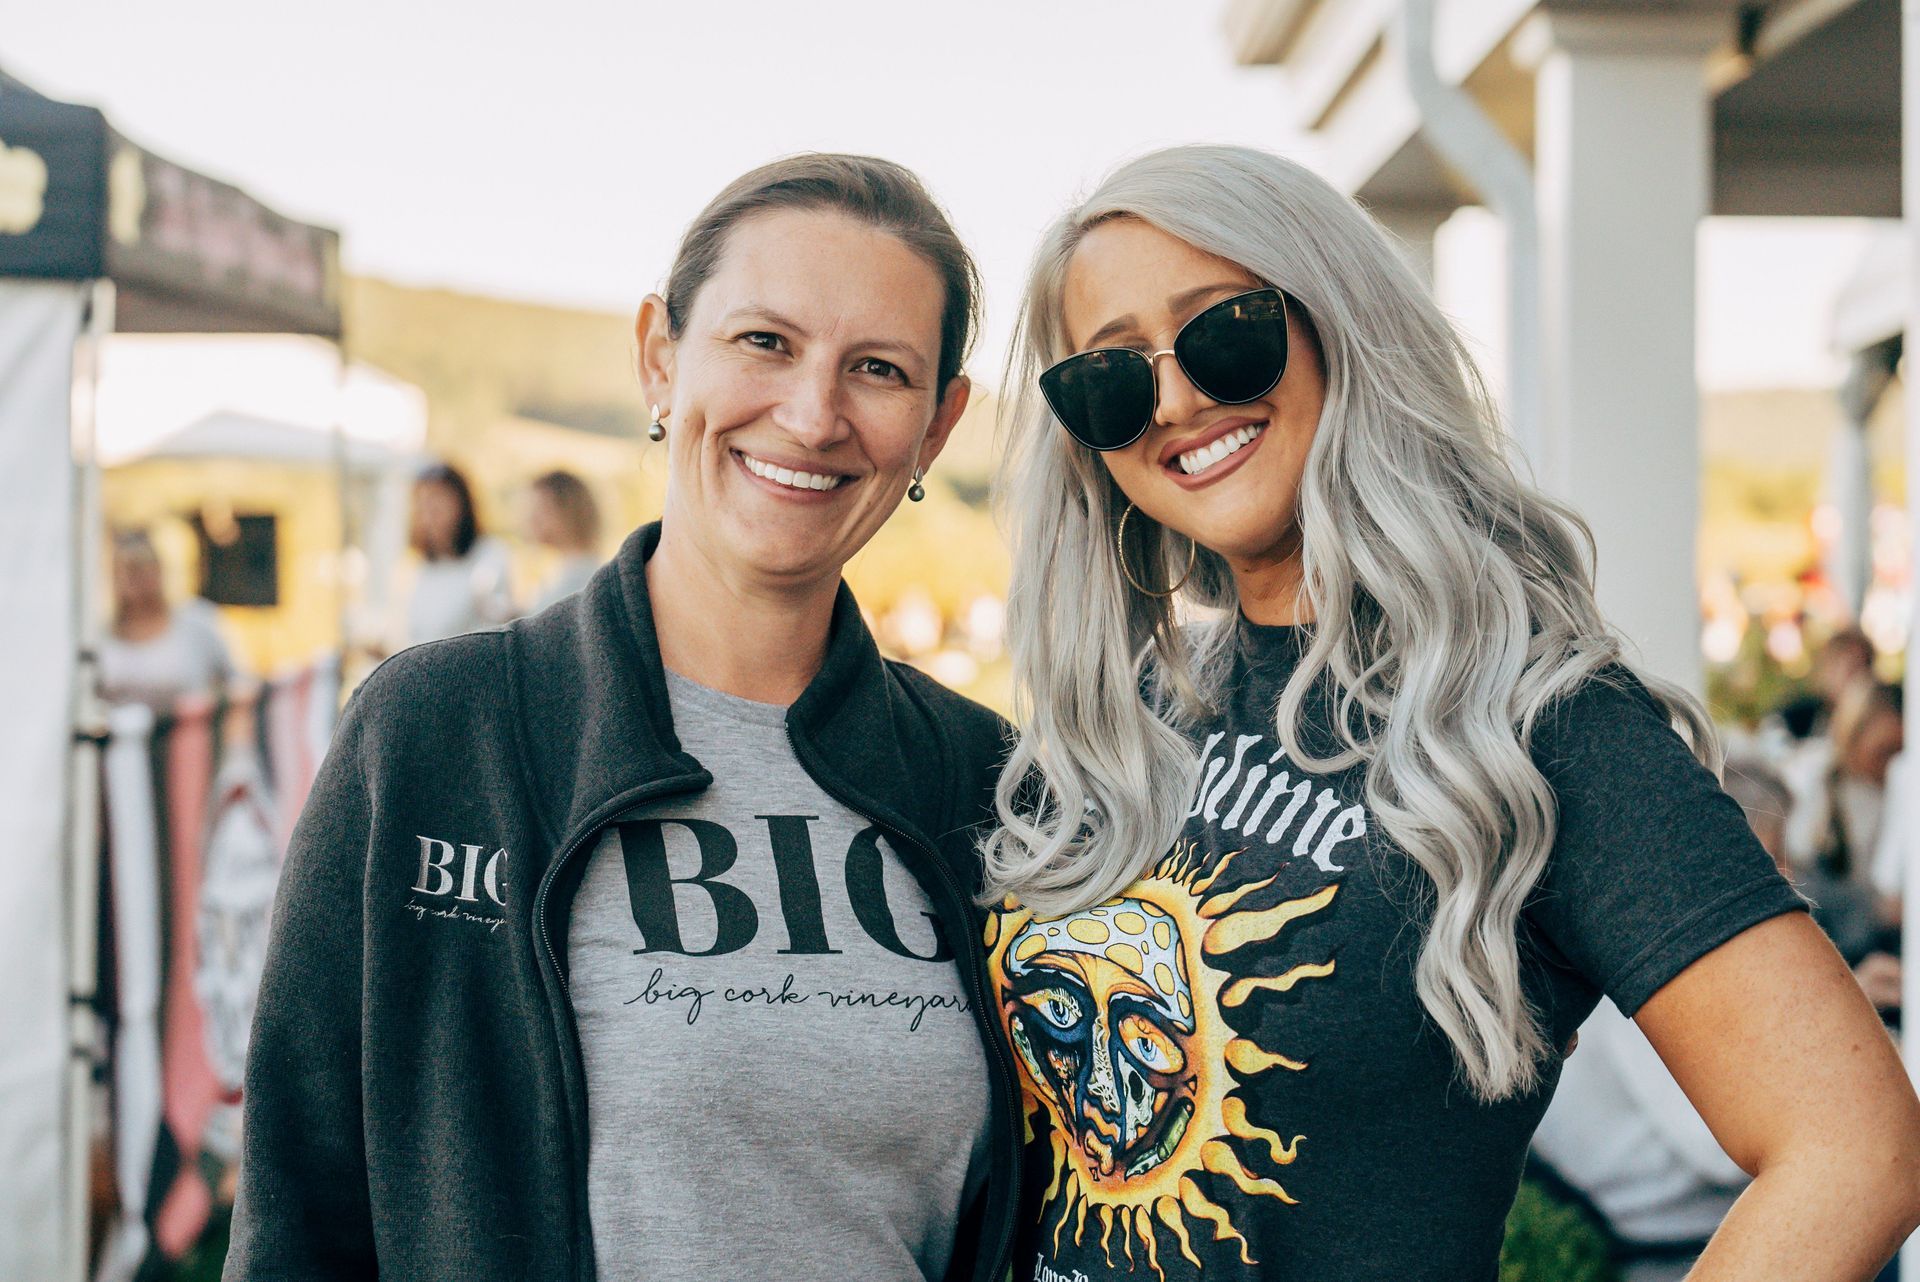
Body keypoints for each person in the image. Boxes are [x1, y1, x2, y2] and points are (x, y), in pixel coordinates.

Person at [983, 145, 1920, 1282]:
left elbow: (1855, 1148)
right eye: (1111, 378)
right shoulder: (1138, 712)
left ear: (1341, 326)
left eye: (1226, 333)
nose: (1175, 402)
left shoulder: (1538, 723)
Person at [227, 155, 1024, 1282]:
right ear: (660, 356)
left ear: (937, 427)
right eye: (765, 341)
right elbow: (300, 1214)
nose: (813, 415)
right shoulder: (435, 737)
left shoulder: (986, 783)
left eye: (878, 369)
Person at [99, 528, 242, 713]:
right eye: (124, 572)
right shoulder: (102, 633)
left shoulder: (196, 622)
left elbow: (240, 683)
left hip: (187, 728)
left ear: (159, 571)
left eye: (140, 570)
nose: (133, 581)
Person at [401, 461, 516, 646]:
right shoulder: (422, 568)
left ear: (461, 503)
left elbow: (494, 619)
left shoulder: (489, 556)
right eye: (422, 505)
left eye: (436, 503)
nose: (429, 515)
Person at [523, 469, 604, 613]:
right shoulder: (561, 571)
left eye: (542, 510)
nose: (532, 519)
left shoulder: (581, 579)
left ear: (569, 511)